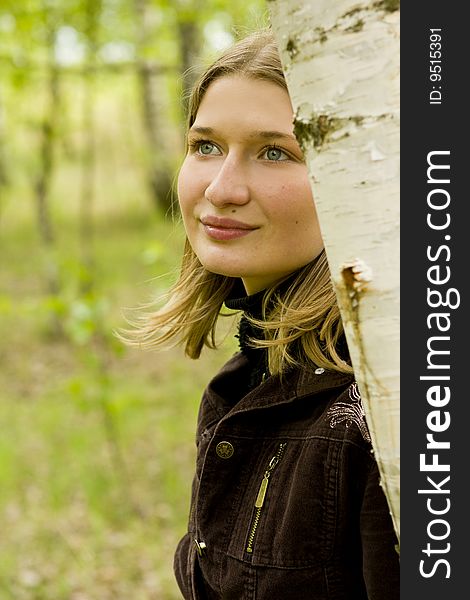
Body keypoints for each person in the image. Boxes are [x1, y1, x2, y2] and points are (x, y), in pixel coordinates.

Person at [129, 28, 400, 599]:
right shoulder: (256, 375)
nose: (222, 188)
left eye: (275, 152)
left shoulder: (379, 412)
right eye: (206, 146)